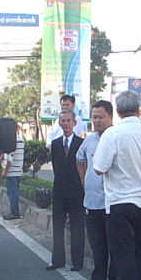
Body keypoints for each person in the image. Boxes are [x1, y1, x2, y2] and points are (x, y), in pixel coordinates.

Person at [93, 91, 141, 280]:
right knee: (139, 256)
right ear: (139, 111)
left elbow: (99, 168)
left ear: (117, 112)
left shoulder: (112, 134)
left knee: (124, 257)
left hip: (120, 203)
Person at [74, 100, 118, 280]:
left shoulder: (117, 137)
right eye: (94, 117)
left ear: (110, 116)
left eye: (101, 117)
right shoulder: (89, 140)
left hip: (112, 202)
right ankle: (97, 279)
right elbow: (79, 158)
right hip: (91, 202)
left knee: (114, 245)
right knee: (97, 244)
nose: (97, 121)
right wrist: (84, 180)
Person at [47, 109, 85, 271]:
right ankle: (57, 260)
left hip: (77, 192)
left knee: (77, 228)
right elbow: (56, 168)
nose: (66, 124)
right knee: (57, 227)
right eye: (63, 121)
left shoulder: (81, 143)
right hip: (59, 192)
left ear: (74, 123)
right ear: (59, 123)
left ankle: (77, 262)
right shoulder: (55, 144)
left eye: (69, 120)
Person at [1, 130, 25, 220]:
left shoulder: (12, 142)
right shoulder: (20, 140)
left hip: (12, 172)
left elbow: (10, 159)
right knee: (15, 192)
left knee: (12, 193)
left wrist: (6, 171)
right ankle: (15, 212)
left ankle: (14, 213)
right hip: (18, 170)